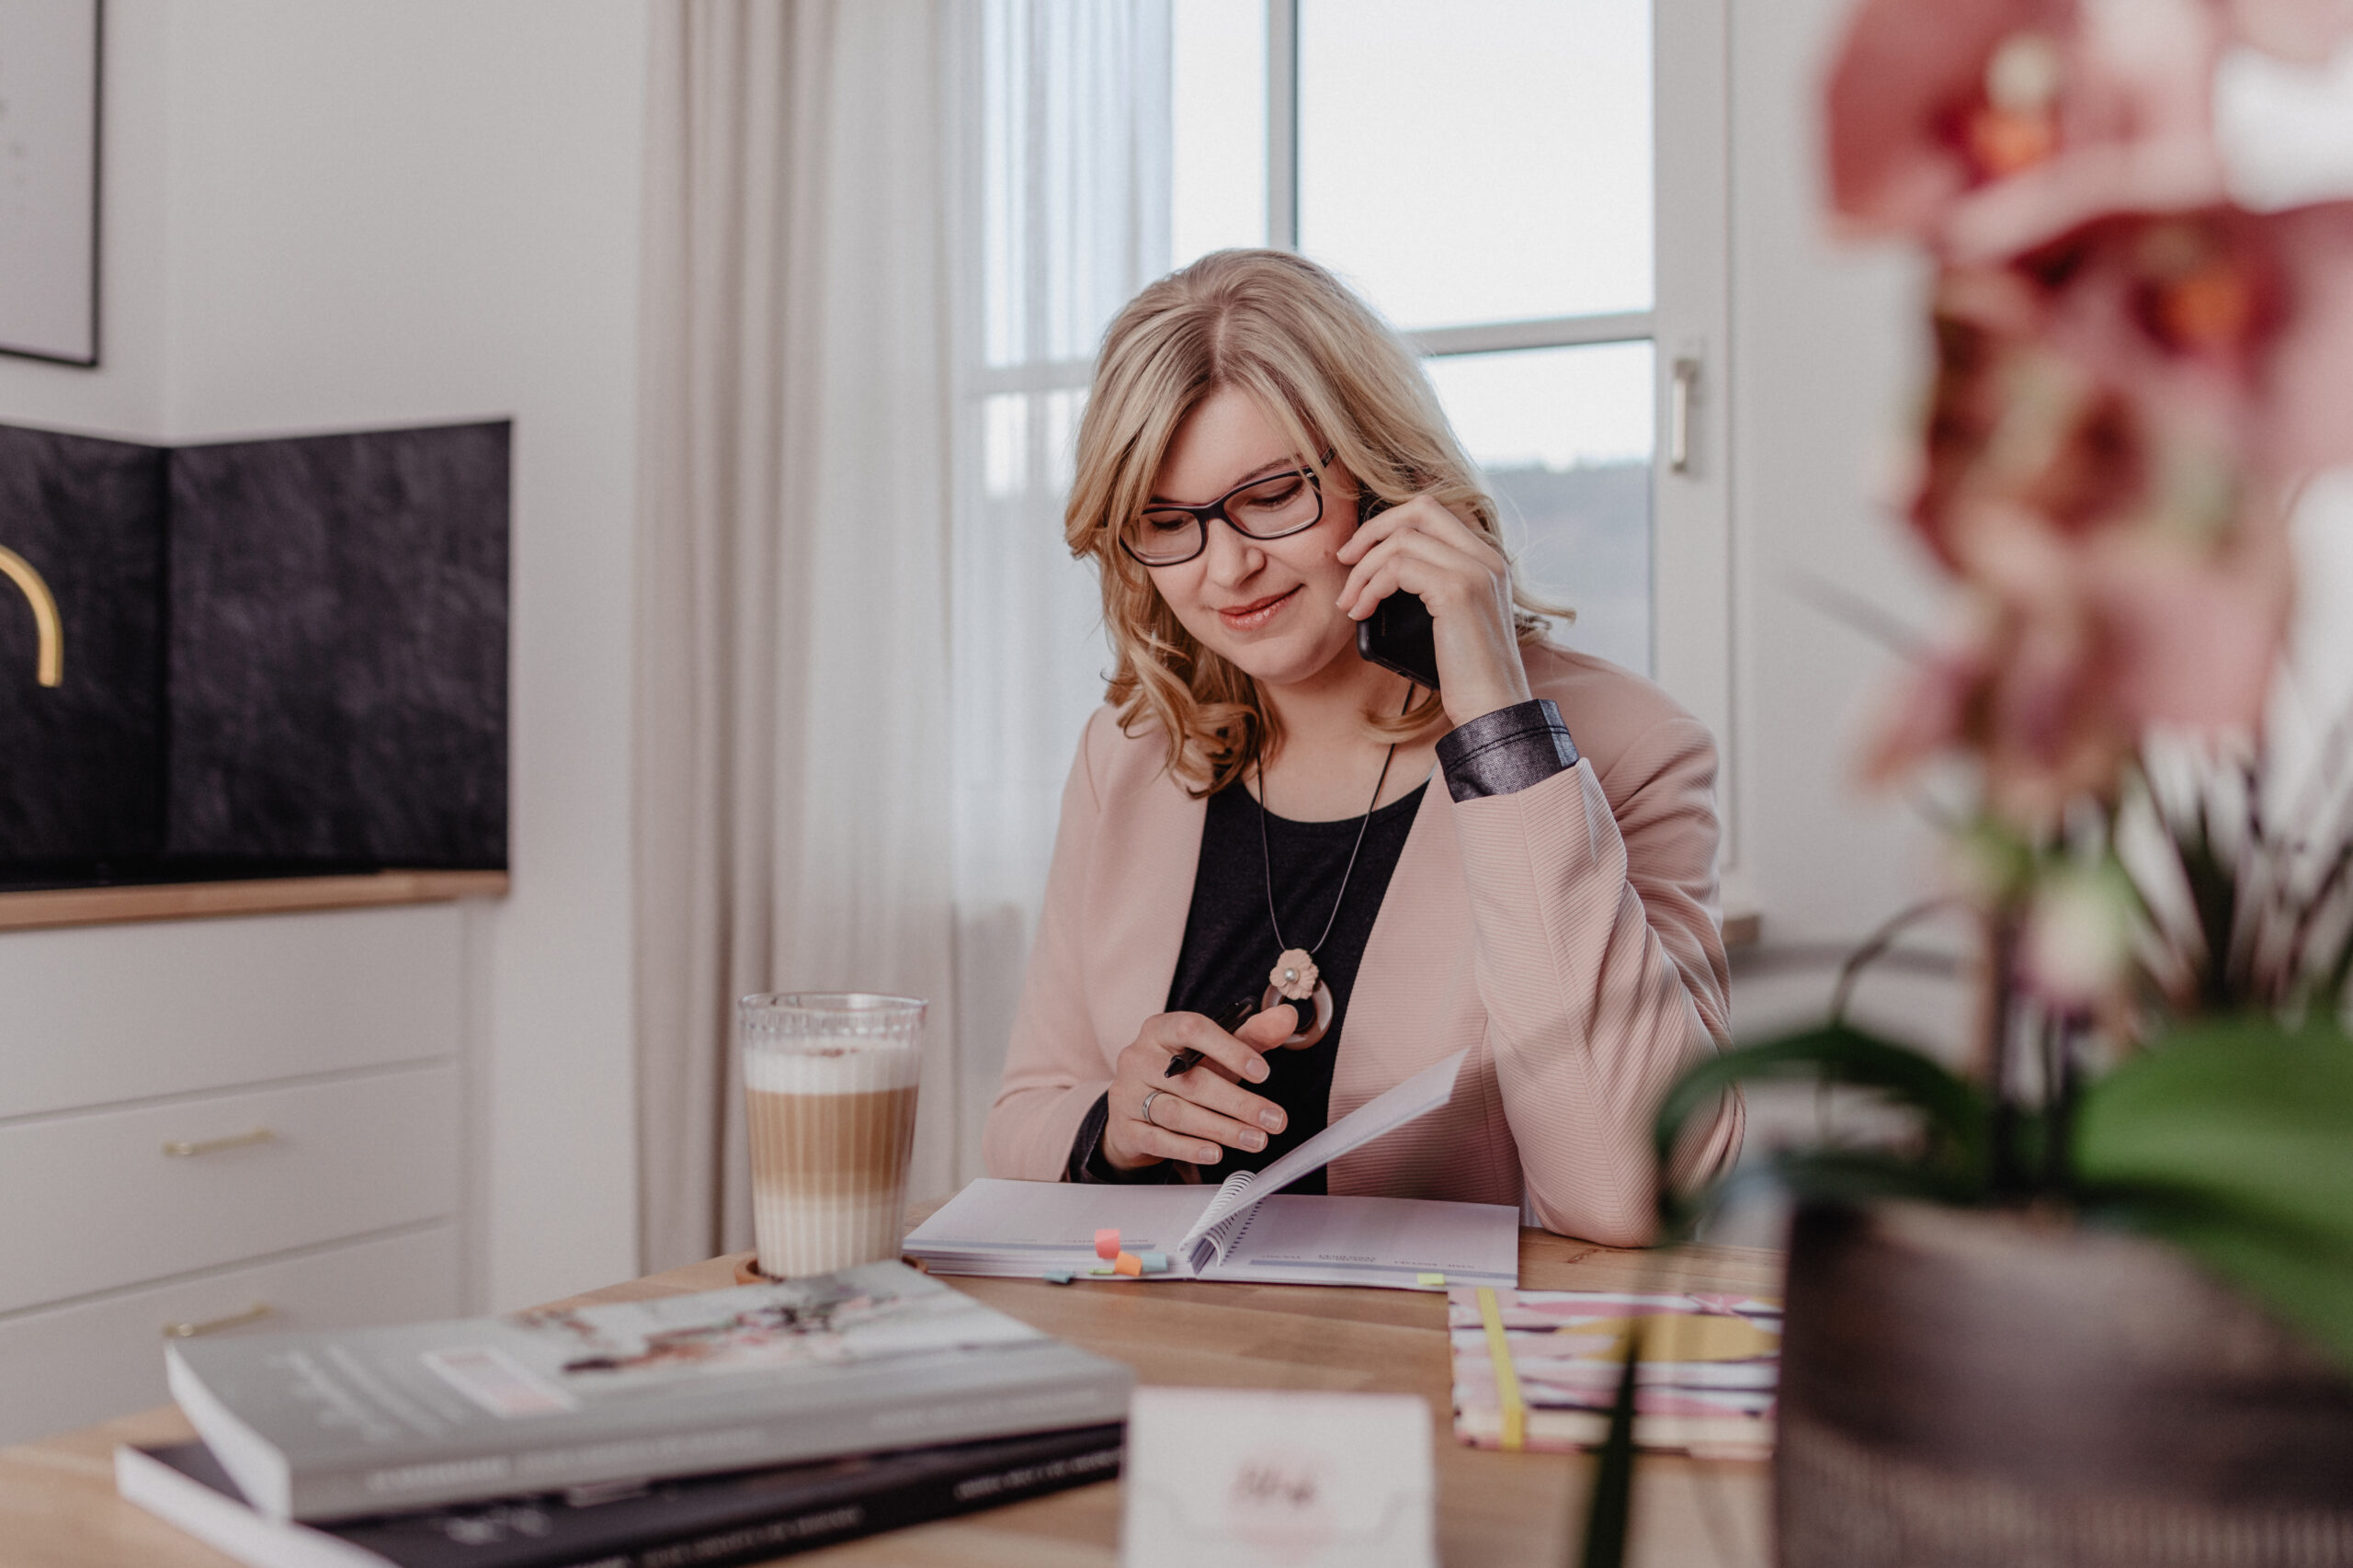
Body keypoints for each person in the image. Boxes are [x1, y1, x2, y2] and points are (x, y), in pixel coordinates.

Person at [982, 249, 1740, 1245]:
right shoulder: (1126, 757)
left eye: (1270, 495)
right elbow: (1022, 1119)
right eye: (1167, 522)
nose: (1227, 565)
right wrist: (1114, 1127)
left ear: (1382, 476)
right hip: (1170, 1358)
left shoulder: (1626, 747)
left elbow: (1633, 1187)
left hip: (1440, 1369)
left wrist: (1495, 727)